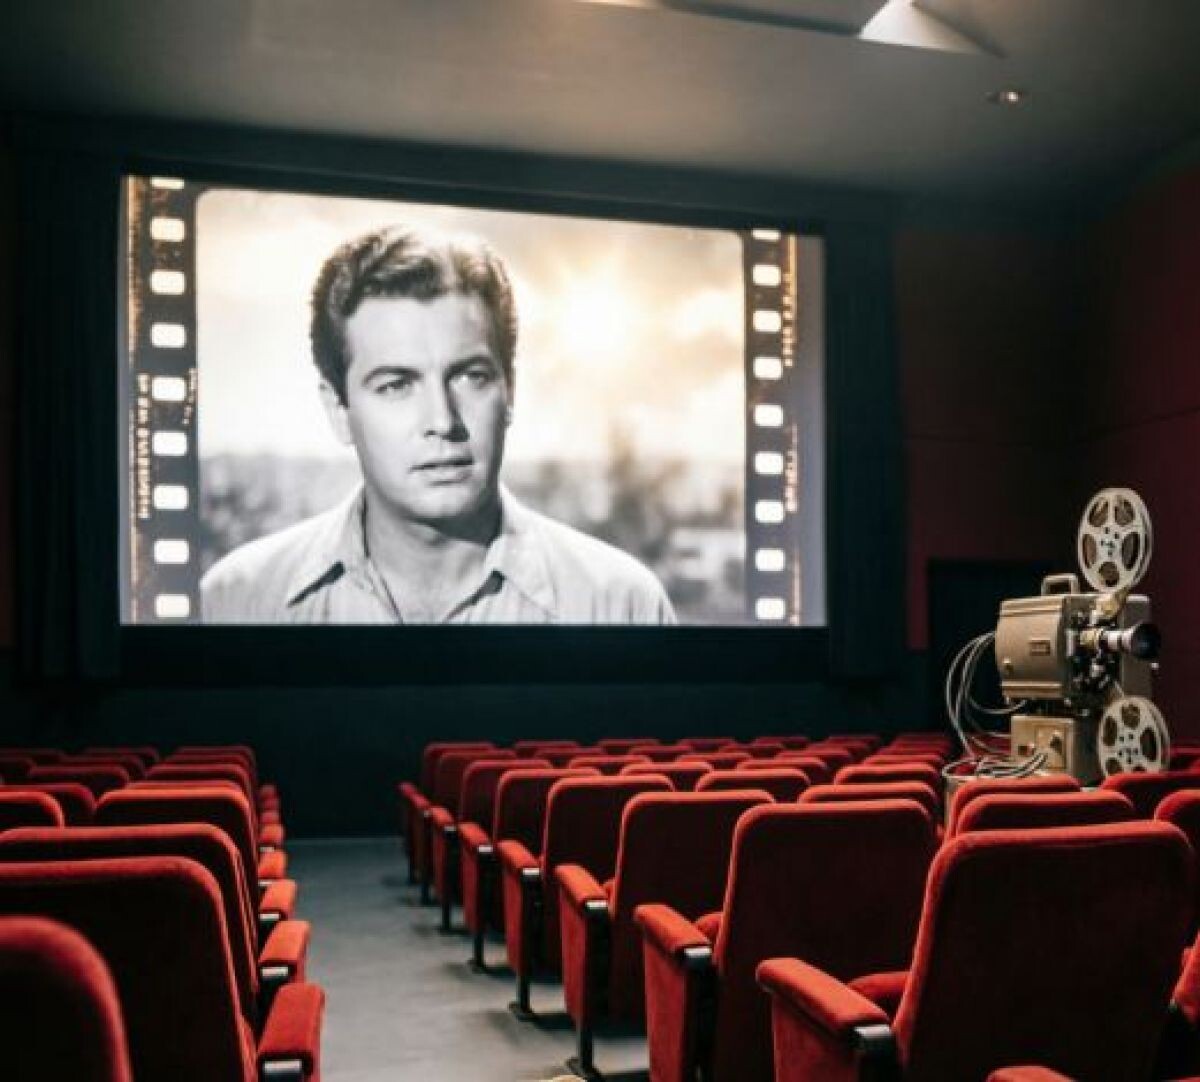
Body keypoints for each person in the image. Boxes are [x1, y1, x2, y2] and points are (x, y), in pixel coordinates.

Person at [200, 225, 676, 625]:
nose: (443, 421)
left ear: (509, 391)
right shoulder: (236, 600)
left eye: (471, 377)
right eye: (396, 385)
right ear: (338, 410)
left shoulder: (622, 604)